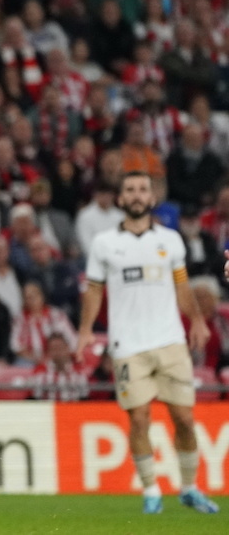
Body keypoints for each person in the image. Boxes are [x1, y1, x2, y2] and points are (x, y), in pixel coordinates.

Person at [77, 171, 218, 515]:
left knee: (184, 418)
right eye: (130, 190)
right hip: (127, 345)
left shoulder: (171, 240)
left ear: (152, 198)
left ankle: (189, 488)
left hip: (170, 340)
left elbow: (182, 287)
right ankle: (151, 490)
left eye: (143, 189)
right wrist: (84, 330)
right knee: (139, 419)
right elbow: (94, 290)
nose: (137, 195)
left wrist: (198, 320)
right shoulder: (104, 243)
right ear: (121, 199)